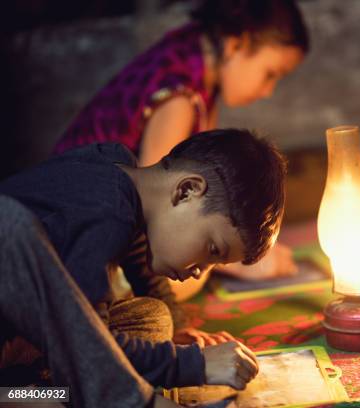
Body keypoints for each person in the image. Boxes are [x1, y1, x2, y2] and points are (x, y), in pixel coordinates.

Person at [0, 129, 286, 405]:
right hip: (20, 338)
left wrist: (180, 328)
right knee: (93, 370)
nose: (200, 271)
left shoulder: (116, 172)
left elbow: (138, 254)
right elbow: (93, 345)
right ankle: (20, 396)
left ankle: (28, 389)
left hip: (28, 332)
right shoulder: (106, 211)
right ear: (187, 191)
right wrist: (195, 364)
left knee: (156, 320)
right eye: (212, 250)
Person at [53, 0, 309, 299]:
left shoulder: (189, 54)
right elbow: (159, 222)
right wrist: (234, 261)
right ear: (237, 44)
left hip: (98, 218)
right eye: (270, 74)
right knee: (180, 286)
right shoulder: (179, 99)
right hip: (76, 239)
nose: (268, 91)